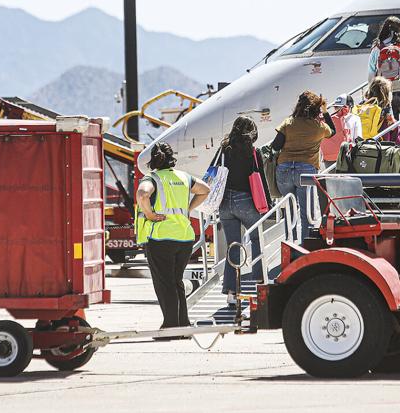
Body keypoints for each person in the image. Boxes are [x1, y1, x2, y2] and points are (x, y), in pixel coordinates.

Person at [135, 143, 211, 333]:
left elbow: (142, 194)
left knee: (164, 283)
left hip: (161, 238)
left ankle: (170, 325)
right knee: (176, 281)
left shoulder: (152, 178)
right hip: (185, 238)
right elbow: (205, 189)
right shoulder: (184, 177)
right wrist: (188, 209)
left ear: (154, 160)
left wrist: (150, 214)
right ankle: (183, 324)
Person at [214, 117, 265, 305]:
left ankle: (231, 293)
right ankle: (260, 282)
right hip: (245, 200)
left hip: (224, 202)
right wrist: (266, 204)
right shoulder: (252, 151)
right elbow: (261, 180)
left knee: (233, 246)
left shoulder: (224, 150)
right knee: (258, 238)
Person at [271, 91, 335, 237]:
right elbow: (334, 131)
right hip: (306, 172)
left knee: (289, 210)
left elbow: (275, 146)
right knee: (307, 212)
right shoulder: (320, 127)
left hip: (284, 170)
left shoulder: (288, 123)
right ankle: (305, 244)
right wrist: (325, 112)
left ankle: (290, 242)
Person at [320, 94, 361, 170]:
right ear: (350, 107)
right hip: (346, 157)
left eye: (336, 107)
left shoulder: (327, 119)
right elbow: (358, 139)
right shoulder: (355, 118)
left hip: (328, 158)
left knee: (331, 180)